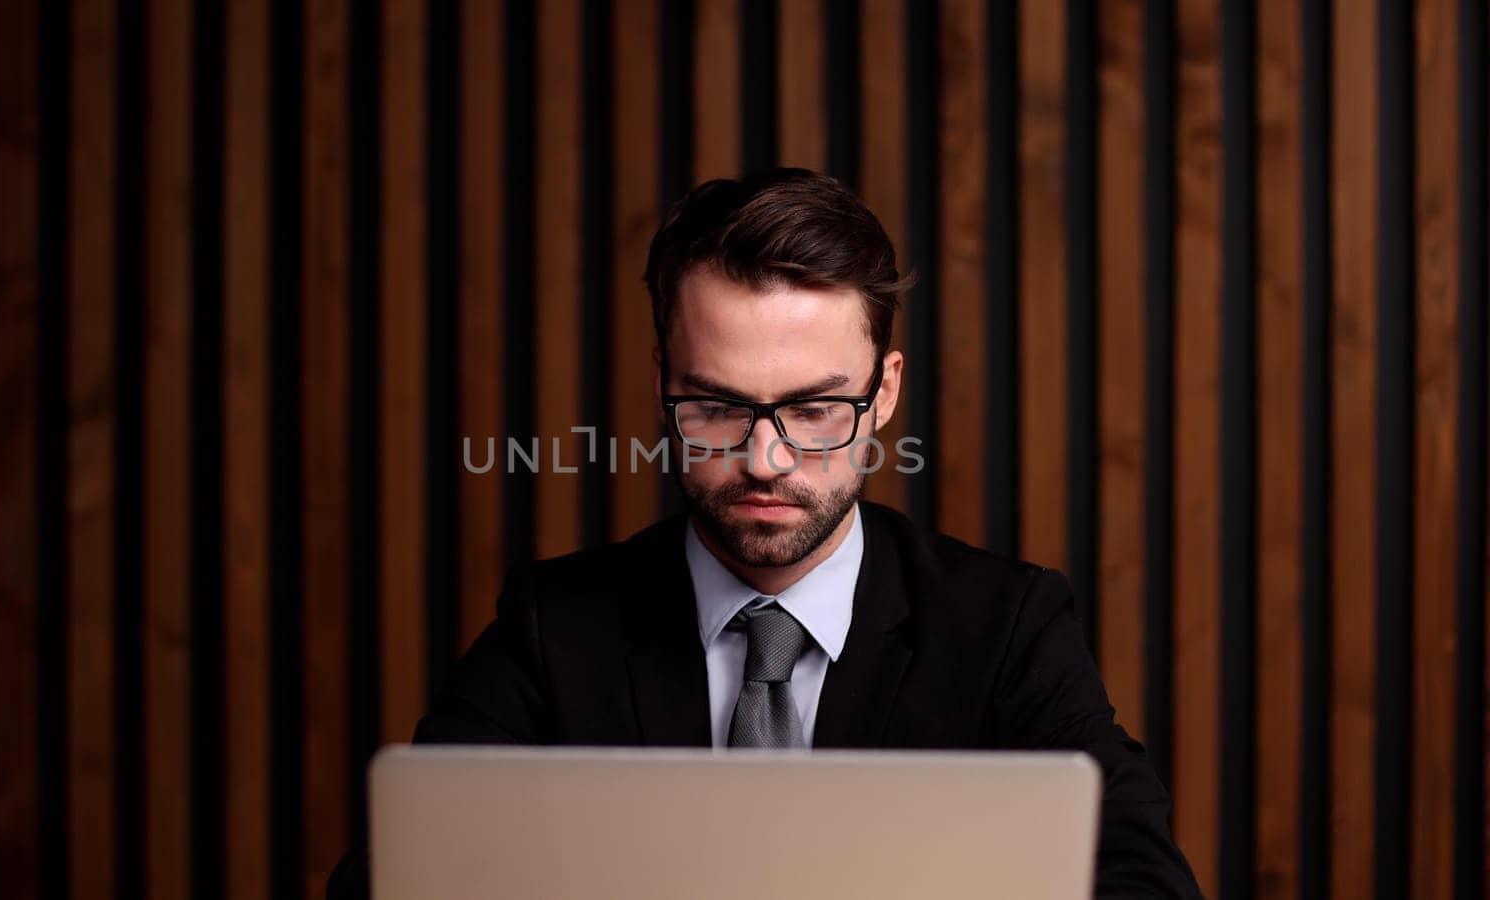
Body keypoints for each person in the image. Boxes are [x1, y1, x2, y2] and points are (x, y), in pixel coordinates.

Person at [328, 168, 1201, 899]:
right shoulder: (556, 625)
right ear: (662, 379)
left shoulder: (1008, 626)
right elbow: (388, 878)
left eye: (817, 408)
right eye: (716, 406)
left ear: (884, 391)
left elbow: (1143, 884)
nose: (767, 460)